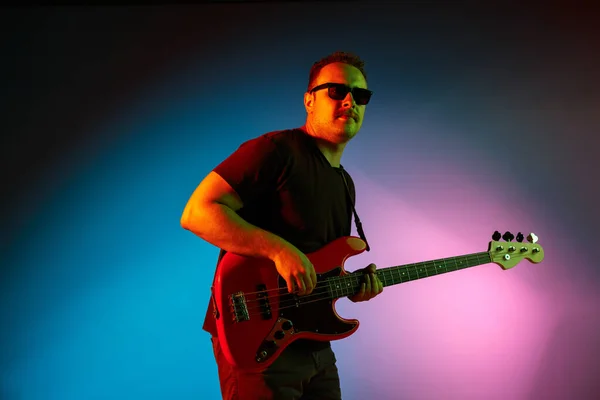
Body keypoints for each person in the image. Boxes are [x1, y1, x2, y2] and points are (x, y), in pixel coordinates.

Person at [180, 51, 384, 400]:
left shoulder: (344, 183)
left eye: (360, 95)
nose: (350, 100)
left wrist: (353, 286)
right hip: (255, 338)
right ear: (309, 100)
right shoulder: (276, 150)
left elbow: (319, 269)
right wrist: (277, 249)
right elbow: (198, 212)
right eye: (336, 91)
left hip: (313, 342)